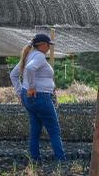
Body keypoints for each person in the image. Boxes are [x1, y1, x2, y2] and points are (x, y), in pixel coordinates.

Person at [9, 33, 66, 163]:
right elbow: (30, 69)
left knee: (35, 129)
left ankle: (35, 159)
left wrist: (20, 92)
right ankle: (61, 161)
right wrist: (31, 87)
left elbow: (13, 74)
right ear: (42, 45)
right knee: (54, 130)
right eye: (48, 45)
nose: (49, 48)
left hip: (29, 98)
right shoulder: (39, 56)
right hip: (40, 97)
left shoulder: (28, 56)